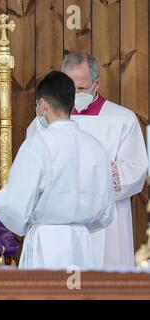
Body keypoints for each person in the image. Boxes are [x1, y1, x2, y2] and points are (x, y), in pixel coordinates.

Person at [27, 53, 148, 268]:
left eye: (81, 88)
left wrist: (92, 179)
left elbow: (135, 169)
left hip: (108, 222)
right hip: (60, 222)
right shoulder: (43, 122)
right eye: (68, 88)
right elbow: (32, 167)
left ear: (97, 83)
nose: (73, 95)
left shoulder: (122, 119)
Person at [0, 71, 114, 269]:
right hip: (82, 242)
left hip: (46, 243)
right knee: (78, 294)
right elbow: (106, 211)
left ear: (43, 105)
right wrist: (77, 224)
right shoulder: (95, 147)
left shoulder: (36, 146)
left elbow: (14, 207)